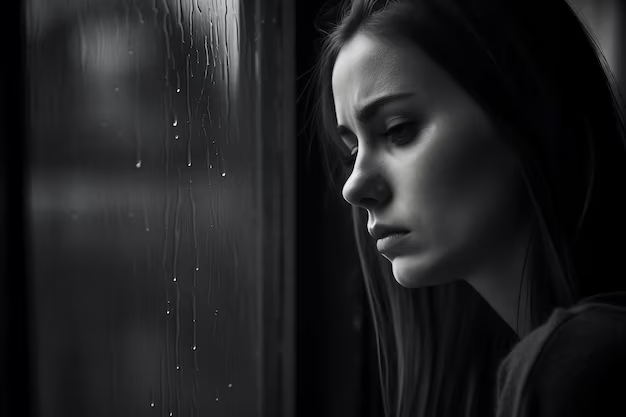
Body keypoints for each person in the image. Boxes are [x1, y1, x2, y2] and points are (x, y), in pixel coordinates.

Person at [311, 0, 626, 416]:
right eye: (351, 153)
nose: (353, 188)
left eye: (397, 130)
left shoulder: (583, 367)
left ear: (529, 111)